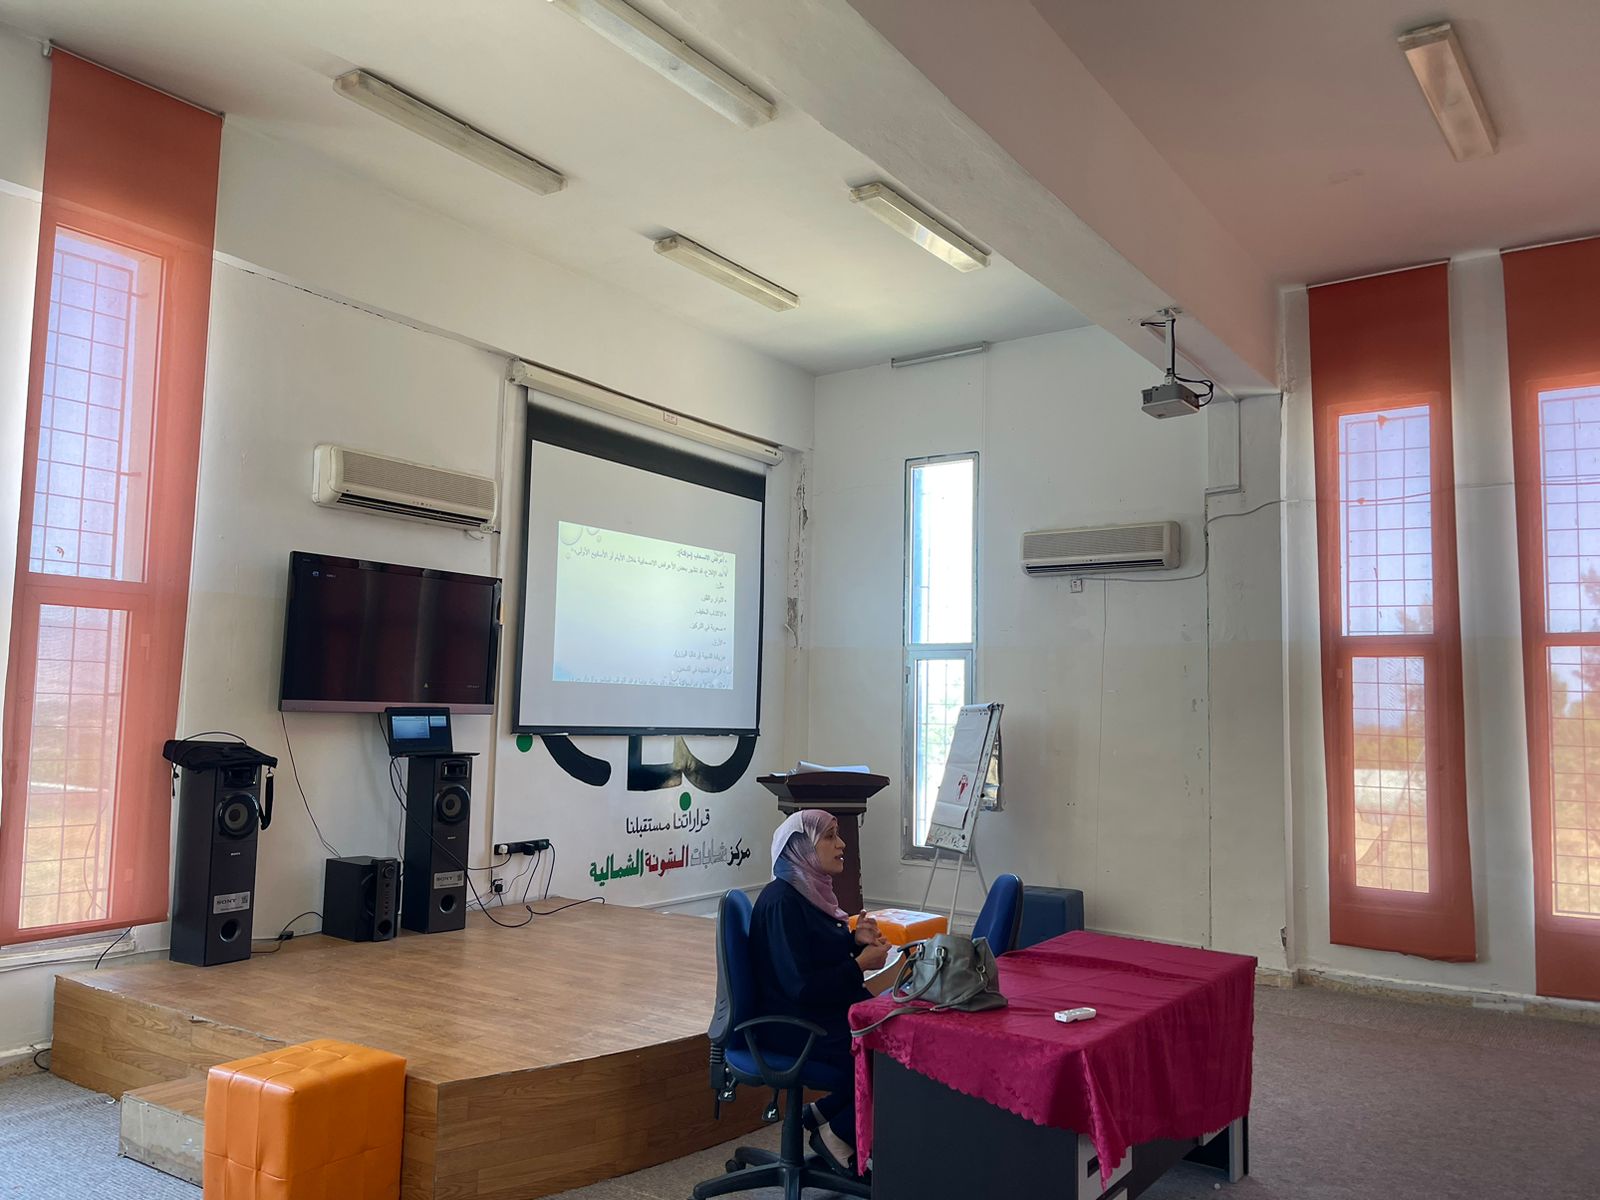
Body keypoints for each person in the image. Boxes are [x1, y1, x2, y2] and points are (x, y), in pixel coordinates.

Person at [749, 808, 891, 1176]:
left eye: (837, 834)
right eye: (829, 836)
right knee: (893, 1053)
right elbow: (802, 988)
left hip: (818, 1015)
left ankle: (825, 1112)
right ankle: (838, 1134)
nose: (841, 844)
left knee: (897, 1030)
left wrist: (852, 940)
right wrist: (859, 965)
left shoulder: (806, 891)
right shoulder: (782, 901)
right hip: (794, 1025)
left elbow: (813, 951)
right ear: (801, 848)